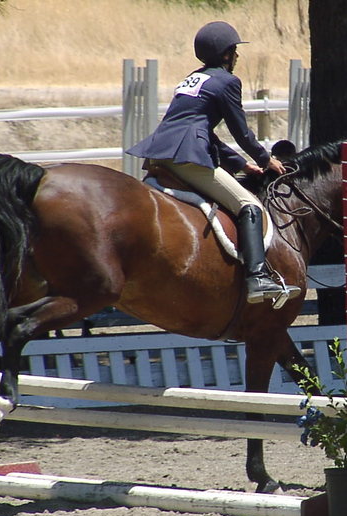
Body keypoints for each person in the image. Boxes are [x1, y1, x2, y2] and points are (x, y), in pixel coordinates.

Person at [127, 21, 300, 305]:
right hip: (187, 157)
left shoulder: (192, 79)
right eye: (234, 50)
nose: (237, 56)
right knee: (249, 205)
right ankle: (257, 278)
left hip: (162, 153)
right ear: (225, 54)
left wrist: (241, 165)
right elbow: (241, 132)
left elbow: (202, 131)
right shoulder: (228, 81)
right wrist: (266, 159)